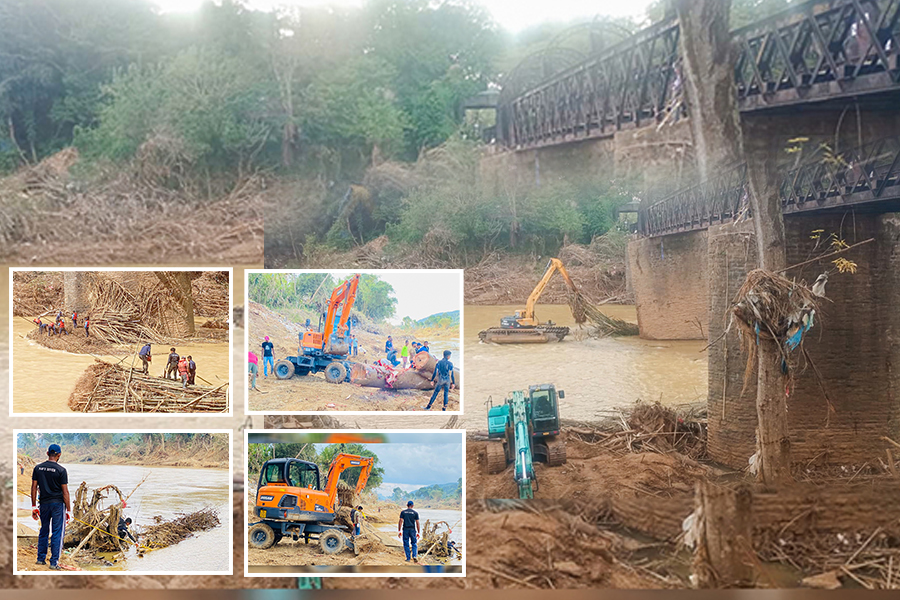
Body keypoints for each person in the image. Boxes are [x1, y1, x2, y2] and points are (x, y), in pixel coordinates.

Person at [31, 443, 70, 570]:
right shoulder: (61, 470)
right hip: (58, 505)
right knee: (57, 532)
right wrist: (69, 510)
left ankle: (40, 559)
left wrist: (33, 507)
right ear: (59, 455)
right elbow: (65, 492)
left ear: (47, 453)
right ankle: (54, 563)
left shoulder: (38, 468)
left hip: (43, 504)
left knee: (44, 530)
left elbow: (33, 487)